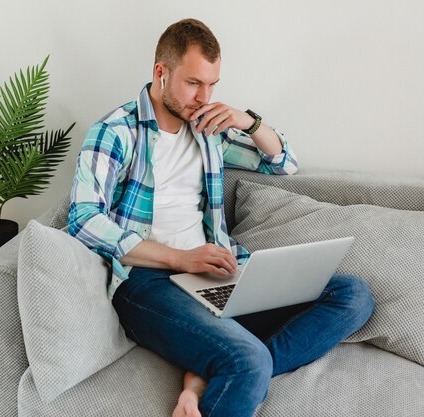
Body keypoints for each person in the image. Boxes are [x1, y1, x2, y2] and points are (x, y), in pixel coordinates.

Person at [68, 18, 374, 417]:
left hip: (217, 273)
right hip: (147, 282)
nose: (204, 96)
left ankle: (209, 375)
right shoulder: (116, 131)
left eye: (212, 85)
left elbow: (283, 164)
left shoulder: (208, 128)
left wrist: (248, 121)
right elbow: (82, 219)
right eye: (194, 83)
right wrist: (181, 258)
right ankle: (238, 367)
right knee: (249, 361)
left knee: (352, 295)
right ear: (161, 73)